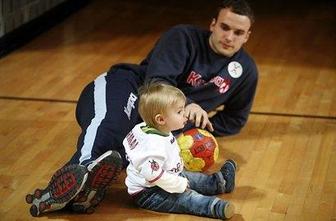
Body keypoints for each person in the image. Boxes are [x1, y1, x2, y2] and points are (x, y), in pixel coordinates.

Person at [25, 0, 257, 217]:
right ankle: (75, 174)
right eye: (225, 27)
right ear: (213, 24)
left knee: (127, 154)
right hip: (126, 89)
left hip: (153, 125)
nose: (229, 37)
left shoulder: (246, 70)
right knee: (111, 126)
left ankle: (85, 195)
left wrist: (194, 129)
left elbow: (235, 119)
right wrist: (188, 104)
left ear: (247, 36)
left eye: (238, 33)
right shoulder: (182, 37)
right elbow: (156, 82)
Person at [124, 83, 237, 220]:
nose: (185, 115)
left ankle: (221, 182)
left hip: (168, 174)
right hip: (149, 192)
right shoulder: (153, 145)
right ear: (160, 119)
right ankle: (213, 207)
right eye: (179, 112)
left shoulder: (146, 127)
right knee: (186, 198)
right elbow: (152, 175)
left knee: (196, 179)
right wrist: (179, 184)